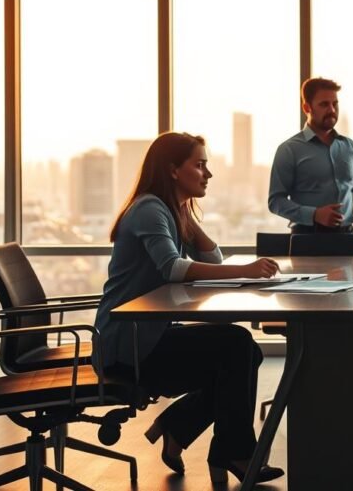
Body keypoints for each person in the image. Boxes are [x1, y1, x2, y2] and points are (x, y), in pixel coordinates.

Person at [94, 132, 284, 484]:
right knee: (236, 347)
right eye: (199, 165)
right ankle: (234, 453)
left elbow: (212, 258)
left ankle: (180, 429)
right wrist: (244, 271)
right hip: (129, 347)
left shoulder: (166, 209)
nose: (207, 174)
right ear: (172, 170)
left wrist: (187, 218)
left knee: (245, 354)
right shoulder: (150, 209)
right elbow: (173, 268)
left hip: (149, 335)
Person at [268, 77, 353, 243]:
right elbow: (275, 201)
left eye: (335, 104)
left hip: (348, 238)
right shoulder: (289, 150)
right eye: (324, 104)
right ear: (306, 107)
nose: (332, 109)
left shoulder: (349, 147)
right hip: (306, 239)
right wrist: (314, 214)